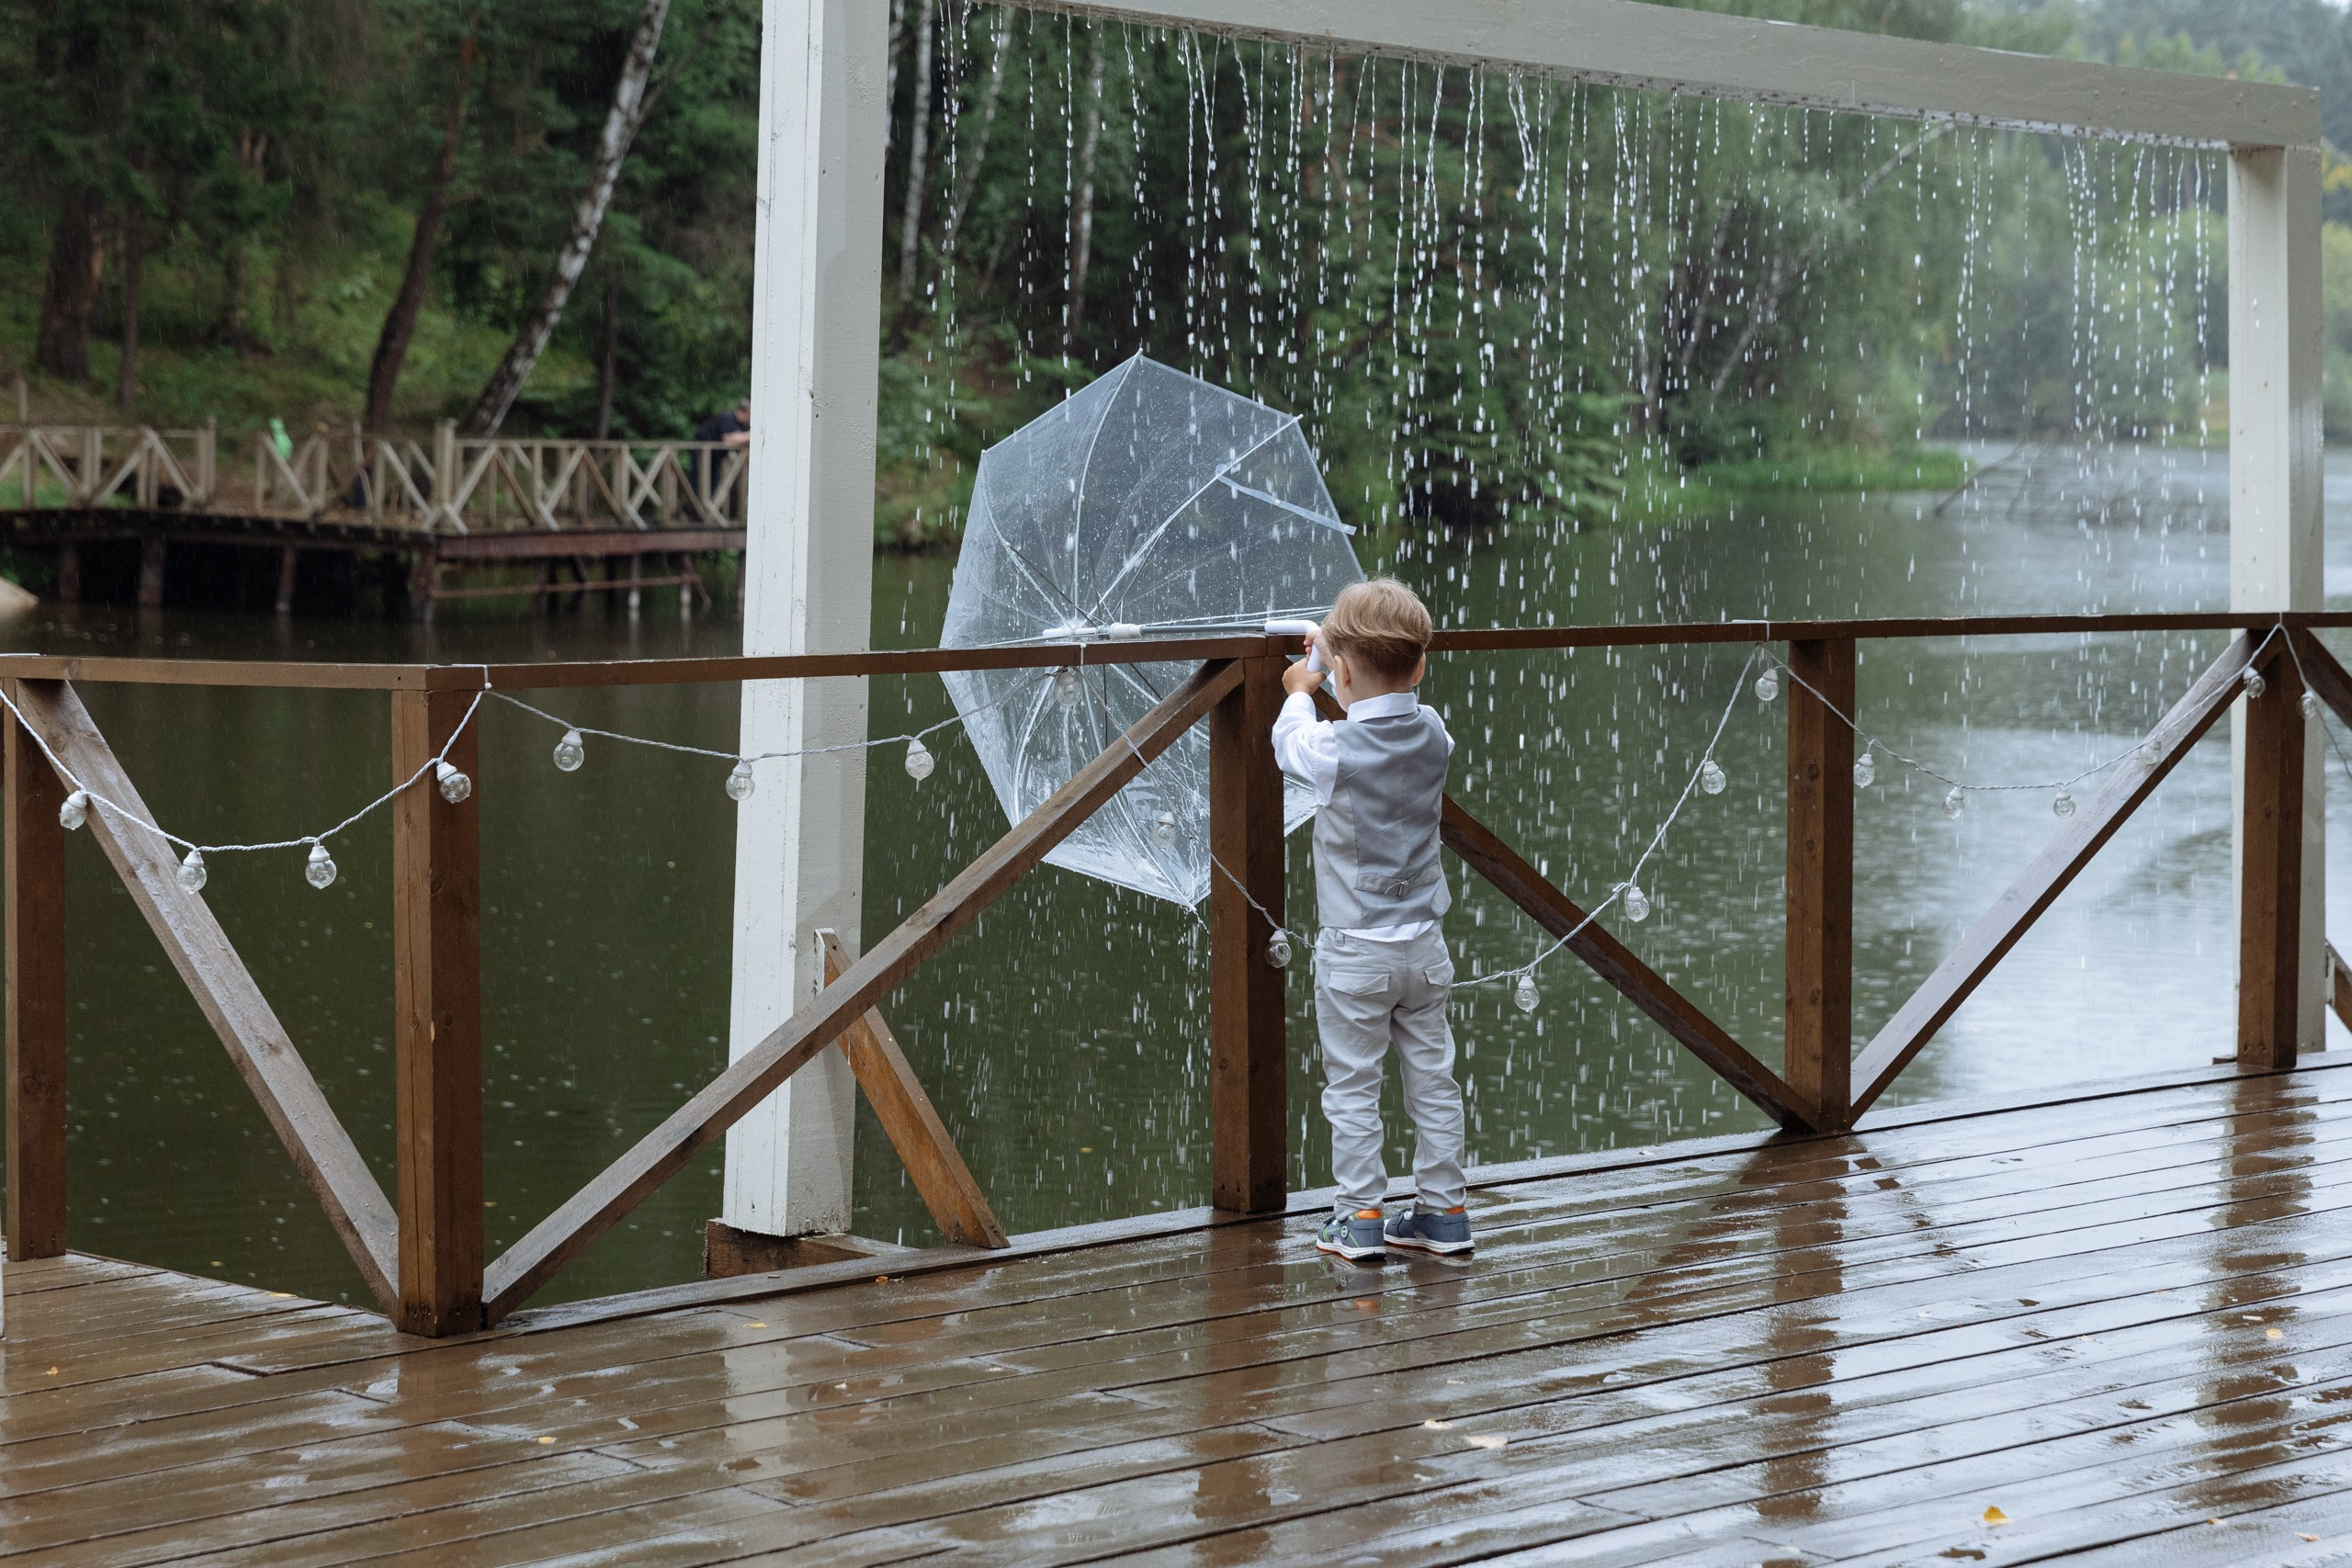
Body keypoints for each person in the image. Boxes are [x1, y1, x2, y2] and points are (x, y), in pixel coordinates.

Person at [1274, 578, 1473, 1264]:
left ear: (1346, 672)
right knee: (1432, 1078)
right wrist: (1342, 662)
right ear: (1420, 667)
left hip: (1355, 950)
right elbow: (1383, 715)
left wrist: (1306, 681)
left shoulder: (1329, 750)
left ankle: (1360, 1214)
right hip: (1424, 944)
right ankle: (1444, 1212)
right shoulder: (1436, 733)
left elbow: (1290, 741)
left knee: (1354, 1085)